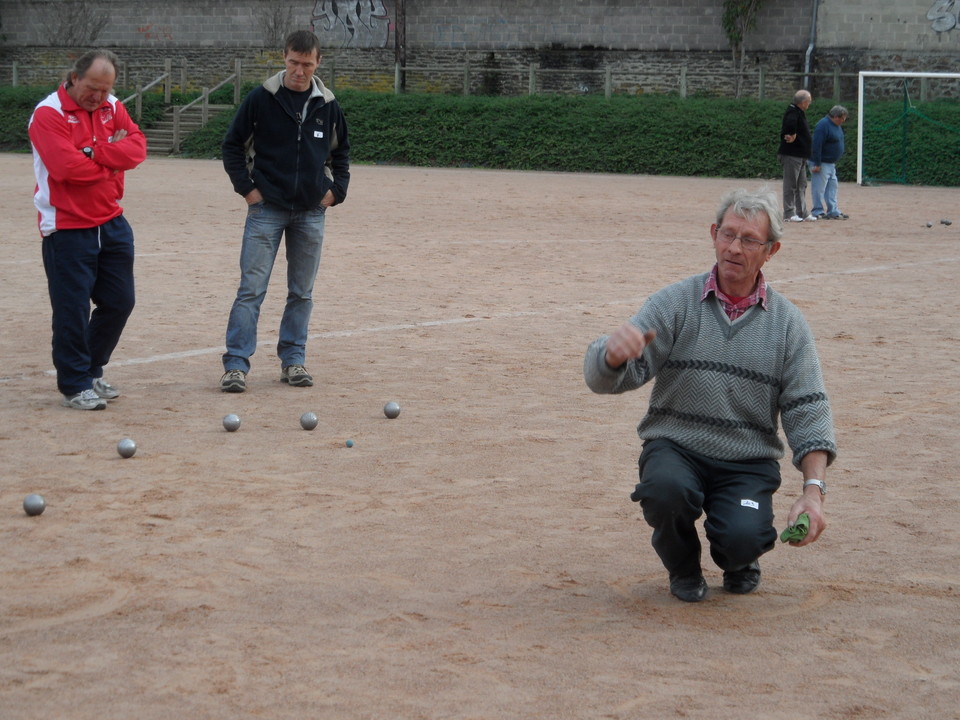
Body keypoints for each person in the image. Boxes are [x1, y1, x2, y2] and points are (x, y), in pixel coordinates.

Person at [583, 187, 837, 602]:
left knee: (742, 537)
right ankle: (682, 567)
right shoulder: (674, 304)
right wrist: (611, 358)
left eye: (749, 240)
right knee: (664, 491)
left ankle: (740, 557)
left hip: (748, 462)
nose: (734, 248)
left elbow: (807, 408)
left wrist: (813, 492)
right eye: (727, 234)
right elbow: (608, 377)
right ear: (714, 234)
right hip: (676, 447)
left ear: (771, 250)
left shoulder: (789, 326)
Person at [220, 30, 351, 393]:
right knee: (251, 289)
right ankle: (235, 365)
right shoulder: (261, 99)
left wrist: (335, 193)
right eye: (294, 62)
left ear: (318, 63)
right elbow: (232, 146)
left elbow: (341, 154)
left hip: (311, 212)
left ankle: (293, 361)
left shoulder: (328, 104)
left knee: (302, 292)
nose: (299, 71)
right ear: (284, 57)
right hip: (266, 210)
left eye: (307, 64)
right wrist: (248, 191)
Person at [28, 49, 147, 410]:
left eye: (106, 89)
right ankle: (75, 383)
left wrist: (94, 152)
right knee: (72, 309)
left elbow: (137, 147)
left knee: (119, 301)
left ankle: (91, 369)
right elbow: (66, 169)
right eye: (93, 88)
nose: (99, 96)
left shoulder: (112, 106)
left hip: (111, 221)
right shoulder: (48, 114)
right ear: (74, 78)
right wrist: (112, 160)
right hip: (66, 226)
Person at [777, 90, 816, 223]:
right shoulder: (792, 111)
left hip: (800, 155)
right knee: (791, 184)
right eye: (808, 101)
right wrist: (791, 134)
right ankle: (789, 213)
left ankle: (802, 212)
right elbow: (789, 125)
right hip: (792, 155)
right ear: (803, 102)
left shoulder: (798, 112)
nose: (809, 104)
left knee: (801, 185)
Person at [809, 105, 849, 220]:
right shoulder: (823, 125)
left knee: (832, 187)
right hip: (821, 162)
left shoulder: (836, 125)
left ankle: (833, 210)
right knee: (819, 188)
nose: (843, 121)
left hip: (830, 163)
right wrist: (817, 163)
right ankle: (817, 211)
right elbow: (816, 144)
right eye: (842, 118)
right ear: (836, 117)